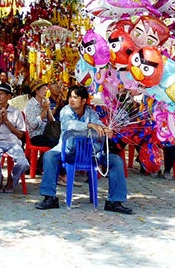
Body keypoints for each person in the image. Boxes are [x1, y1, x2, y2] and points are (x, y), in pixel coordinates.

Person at [35, 84, 132, 214]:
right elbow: (70, 125)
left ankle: (114, 201)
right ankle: (49, 197)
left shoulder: (91, 113)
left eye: (75, 97)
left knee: (117, 161)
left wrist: (105, 129)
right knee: (49, 156)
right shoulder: (65, 111)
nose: (71, 100)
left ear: (84, 101)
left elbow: (98, 124)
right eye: (70, 97)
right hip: (67, 151)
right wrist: (89, 125)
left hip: (90, 153)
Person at [0, 82, 29, 193]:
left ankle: (12, 180)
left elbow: (20, 135)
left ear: (9, 96)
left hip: (13, 143)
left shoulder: (16, 112)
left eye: (1, 94)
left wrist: (7, 122)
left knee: (23, 163)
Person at [25, 78, 59, 149]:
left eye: (46, 89)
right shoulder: (30, 105)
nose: (45, 91)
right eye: (43, 89)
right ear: (36, 91)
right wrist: (44, 111)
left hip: (47, 133)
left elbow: (52, 122)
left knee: (62, 140)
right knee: (56, 143)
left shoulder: (45, 102)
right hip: (35, 136)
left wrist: (48, 110)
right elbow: (33, 125)